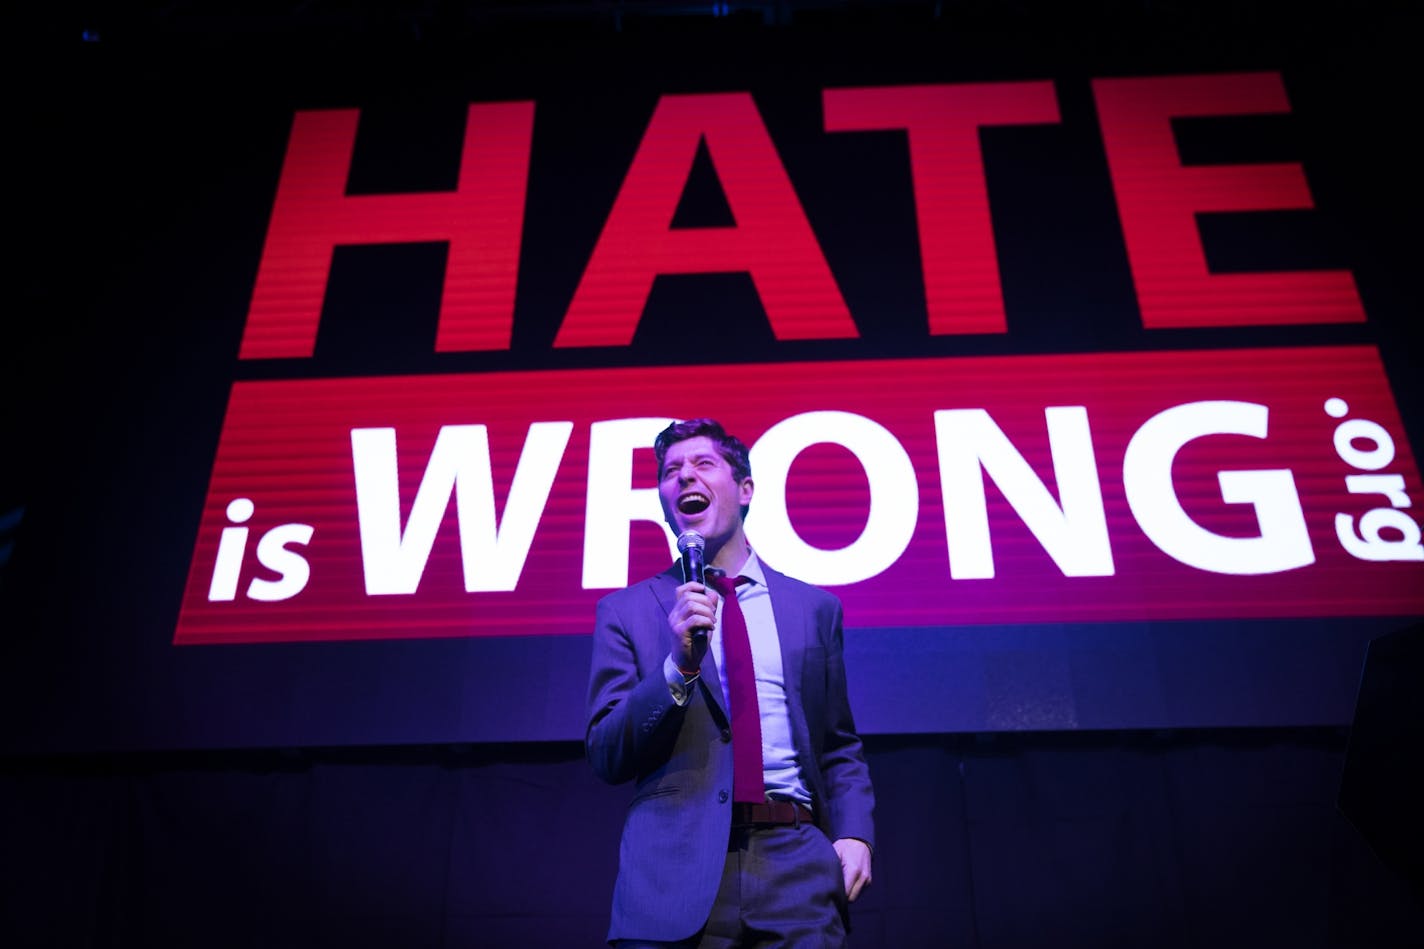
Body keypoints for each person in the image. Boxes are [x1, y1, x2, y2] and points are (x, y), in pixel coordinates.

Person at [586, 418, 875, 947]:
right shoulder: (625, 612)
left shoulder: (813, 609)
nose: (684, 478)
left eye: (702, 464)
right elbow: (607, 752)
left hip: (796, 864)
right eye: (671, 471)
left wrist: (855, 834)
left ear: (745, 490)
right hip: (674, 869)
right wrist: (677, 668)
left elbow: (838, 745)